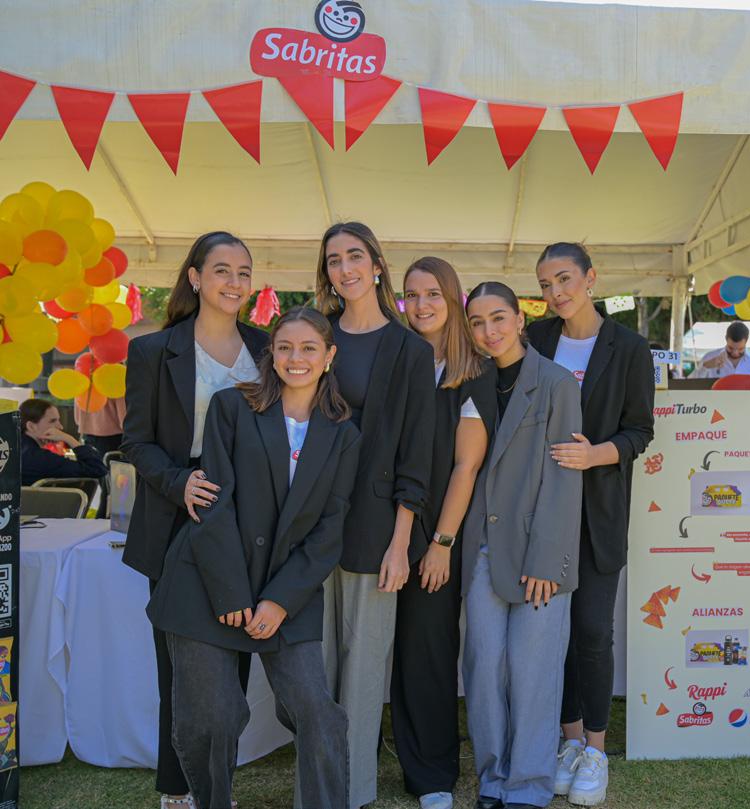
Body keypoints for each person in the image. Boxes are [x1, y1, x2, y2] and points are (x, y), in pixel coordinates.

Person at [147, 307, 359, 809]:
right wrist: (233, 594)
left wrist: (279, 601)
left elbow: (329, 529)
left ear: (329, 356)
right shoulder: (231, 407)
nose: (296, 358)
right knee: (212, 718)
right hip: (209, 583)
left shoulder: (343, 434)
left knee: (317, 711)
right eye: (284, 347)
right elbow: (214, 505)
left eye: (309, 348)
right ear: (271, 355)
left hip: (287, 591)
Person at [121, 232, 269, 809]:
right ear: (195, 277)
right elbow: (137, 442)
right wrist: (178, 482)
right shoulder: (153, 352)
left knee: (234, 664)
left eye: (243, 272)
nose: (234, 282)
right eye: (222, 270)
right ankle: (176, 789)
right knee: (177, 668)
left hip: (248, 524)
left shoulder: (267, 348)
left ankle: (218, 786)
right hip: (177, 520)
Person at [528, 243, 655, 807]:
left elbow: (640, 431)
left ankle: (597, 752)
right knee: (553, 634)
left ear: (590, 278)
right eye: (546, 284)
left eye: (564, 279)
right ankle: (571, 741)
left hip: (599, 512)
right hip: (541, 513)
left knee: (592, 633)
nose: (556, 293)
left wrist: (594, 454)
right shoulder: (536, 339)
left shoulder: (629, 347)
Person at [315, 222, 436, 809]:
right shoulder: (313, 336)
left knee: (362, 669)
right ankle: (317, 786)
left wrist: (401, 542)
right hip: (310, 523)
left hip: (376, 525)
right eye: (334, 260)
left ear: (377, 265)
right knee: (310, 668)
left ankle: (352, 792)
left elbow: (417, 453)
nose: (345, 269)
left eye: (355, 256)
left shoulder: (410, 350)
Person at [463, 281, 583, 809]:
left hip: (538, 552)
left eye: (498, 318)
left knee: (534, 673)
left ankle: (529, 785)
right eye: (477, 322)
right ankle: (492, 779)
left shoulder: (556, 383)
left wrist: (547, 560)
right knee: (484, 669)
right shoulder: (471, 382)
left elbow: (564, 478)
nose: (489, 331)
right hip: (481, 550)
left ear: (519, 319)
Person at [393, 258, 496, 809]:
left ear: (454, 298)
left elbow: (466, 466)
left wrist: (441, 544)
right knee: (387, 648)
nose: (422, 304)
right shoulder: (397, 360)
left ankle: (433, 775)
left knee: (428, 649)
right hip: (386, 521)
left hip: (438, 529)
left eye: (433, 293)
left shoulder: (473, 372)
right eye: (411, 294)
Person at [21, 398, 107, 486]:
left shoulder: (17, 448)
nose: (60, 427)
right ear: (31, 426)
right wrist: (70, 439)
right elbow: (96, 468)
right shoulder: (40, 458)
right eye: (52, 421)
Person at [691, 321, 750, 390]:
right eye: (731, 348)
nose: (735, 353)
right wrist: (705, 366)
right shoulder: (710, 357)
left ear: (746, 341)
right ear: (726, 338)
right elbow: (690, 385)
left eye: (740, 349)